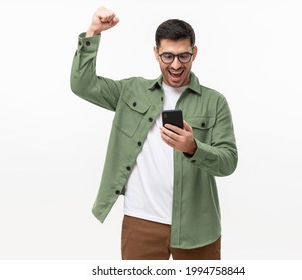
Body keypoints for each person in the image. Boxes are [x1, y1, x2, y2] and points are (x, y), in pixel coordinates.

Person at [70, 6, 238, 260]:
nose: (176, 65)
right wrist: (93, 32)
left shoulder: (214, 102)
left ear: (194, 53)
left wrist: (194, 148)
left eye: (184, 56)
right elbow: (82, 85)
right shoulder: (131, 91)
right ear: (156, 53)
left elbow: (228, 162)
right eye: (167, 56)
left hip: (197, 227)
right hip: (141, 222)